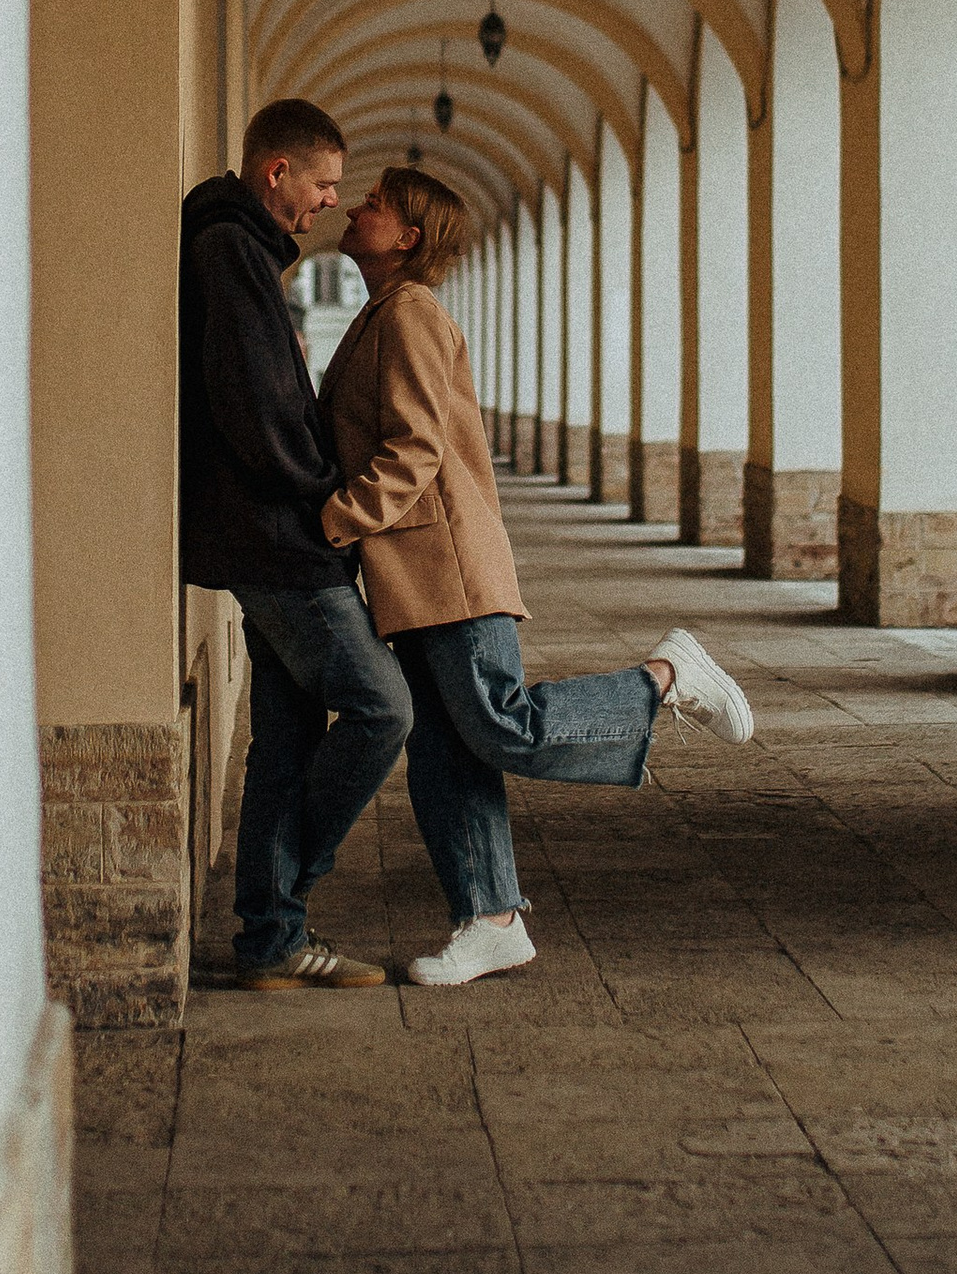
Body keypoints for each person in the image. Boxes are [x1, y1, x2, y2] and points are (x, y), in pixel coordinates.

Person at [318, 163, 752, 987]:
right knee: (446, 747)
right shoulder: (383, 311)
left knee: (499, 722)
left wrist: (334, 519)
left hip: (445, 561)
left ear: (408, 236)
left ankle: (665, 676)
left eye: (374, 202)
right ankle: (490, 919)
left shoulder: (409, 313)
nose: (355, 207)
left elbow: (412, 450)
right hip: (413, 571)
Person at [178, 97, 407, 990]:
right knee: (385, 707)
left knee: (283, 739)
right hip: (279, 539)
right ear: (277, 172)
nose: (327, 202)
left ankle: (272, 941)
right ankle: (281, 897)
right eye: (322, 184)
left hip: (261, 533)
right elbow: (256, 405)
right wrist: (324, 500)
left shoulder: (237, 247)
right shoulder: (232, 250)